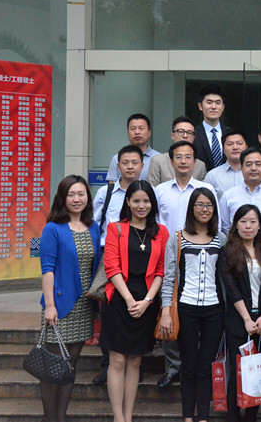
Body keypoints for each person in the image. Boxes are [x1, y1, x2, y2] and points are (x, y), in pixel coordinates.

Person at [101, 180, 169, 422]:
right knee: (118, 360)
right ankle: (118, 417)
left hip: (146, 303)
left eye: (146, 201)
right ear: (128, 202)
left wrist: (147, 301)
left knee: (136, 360)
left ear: (153, 203)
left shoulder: (161, 232)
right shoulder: (116, 228)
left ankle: (128, 416)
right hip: (119, 301)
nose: (142, 206)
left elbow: (161, 270)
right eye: (136, 201)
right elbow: (112, 267)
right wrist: (130, 300)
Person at [154, 140, 219, 389]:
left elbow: (215, 222)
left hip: (201, 256)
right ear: (171, 162)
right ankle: (173, 368)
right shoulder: (160, 190)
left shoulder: (206, 189)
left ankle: (198, 369)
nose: (183, 161)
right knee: (170, 313)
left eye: (188, 157)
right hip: (169, 254)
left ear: (195, 162)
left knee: (198, 320)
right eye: (178, 157)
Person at [159, 188, 226, 422]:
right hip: (185, 307)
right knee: (188, 365)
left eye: (209, 205)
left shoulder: (221, 238)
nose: (204, 209)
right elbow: (169, 277)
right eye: (200, 205)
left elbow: (225, 277)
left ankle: (203, 417)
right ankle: (188, 417)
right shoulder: (177, 238)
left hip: (214, 309)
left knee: (206, 366)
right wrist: (165, 311)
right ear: (191, 208)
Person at [38, 175, 101, 422]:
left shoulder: (93, 227)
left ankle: (61, 417)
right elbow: (47, 269)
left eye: (81, 194)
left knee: (70, 366)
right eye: (71, 194)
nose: (77, 199)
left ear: (88, 197)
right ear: (62, 198)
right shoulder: (53, 228)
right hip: (60, 306)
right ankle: (49, 418)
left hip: (84, 306)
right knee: (53, 369)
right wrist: (49, 305)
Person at [219, 204, 261, 422]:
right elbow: (231, 288)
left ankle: (251, 417)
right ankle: (233, 417)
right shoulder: (228, 251)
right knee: (238, 372)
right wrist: (246, 318)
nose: (248, 226)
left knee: (259, 372)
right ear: (236, 225)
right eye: (243, 221)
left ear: (260, 226)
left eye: (253, 222)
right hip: (238, 320)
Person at [91, 145, 144, 386]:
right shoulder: (107, 191)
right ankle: (108, 365)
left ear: (142, 166)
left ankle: (135, 363)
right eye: (125, 162)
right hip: (109, 257)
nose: (130, 167)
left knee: (136, 310)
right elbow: (95, 223)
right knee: (109, 311)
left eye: (134, 162)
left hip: (139, 257)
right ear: (118, 166)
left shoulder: (147, 191)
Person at [219, 147, 261, 251]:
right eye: (248, 164)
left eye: (258, 164)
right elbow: (226, 227)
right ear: (241, 168)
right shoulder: (229, 196)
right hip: (236, 253)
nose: (253, 168)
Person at [147, 116, 207, 186]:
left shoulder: (200, 165)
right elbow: (152, 189)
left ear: (194, 138)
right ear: (172, 135)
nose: (185, 136)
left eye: (189, 133)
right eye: (181, 132)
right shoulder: (158, 161)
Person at [105, 113, 160, 182]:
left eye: (141, 128)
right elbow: (112, 184)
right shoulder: (117, 158)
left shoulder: (159, 159)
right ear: (128, 133)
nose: (137, 132)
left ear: (149, 132)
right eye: (133, 129)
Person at [204, 129, 249, 201]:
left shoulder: (255, 173)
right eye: (230, 144)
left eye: (239, 143)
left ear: (246, 147)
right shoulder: (212, 176)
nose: (235, 147)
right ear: (223, 148)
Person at [193, 84, 230, 172]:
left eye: (217, 103)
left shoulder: (231, 133)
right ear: (200, 106)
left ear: (223, 107)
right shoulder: (193, 134)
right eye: (209, 102)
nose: (213, 107)